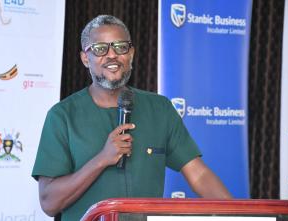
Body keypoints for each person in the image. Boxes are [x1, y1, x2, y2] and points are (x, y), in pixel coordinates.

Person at [32, 15, 232, 221]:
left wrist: (239, 215)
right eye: (100, 48)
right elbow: (49, 203)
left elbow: (199, 175)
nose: (112, 55)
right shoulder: (62, 116)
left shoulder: (160, 109)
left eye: (120, 47)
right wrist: (102, 159)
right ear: (85, 58)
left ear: (131, 54)